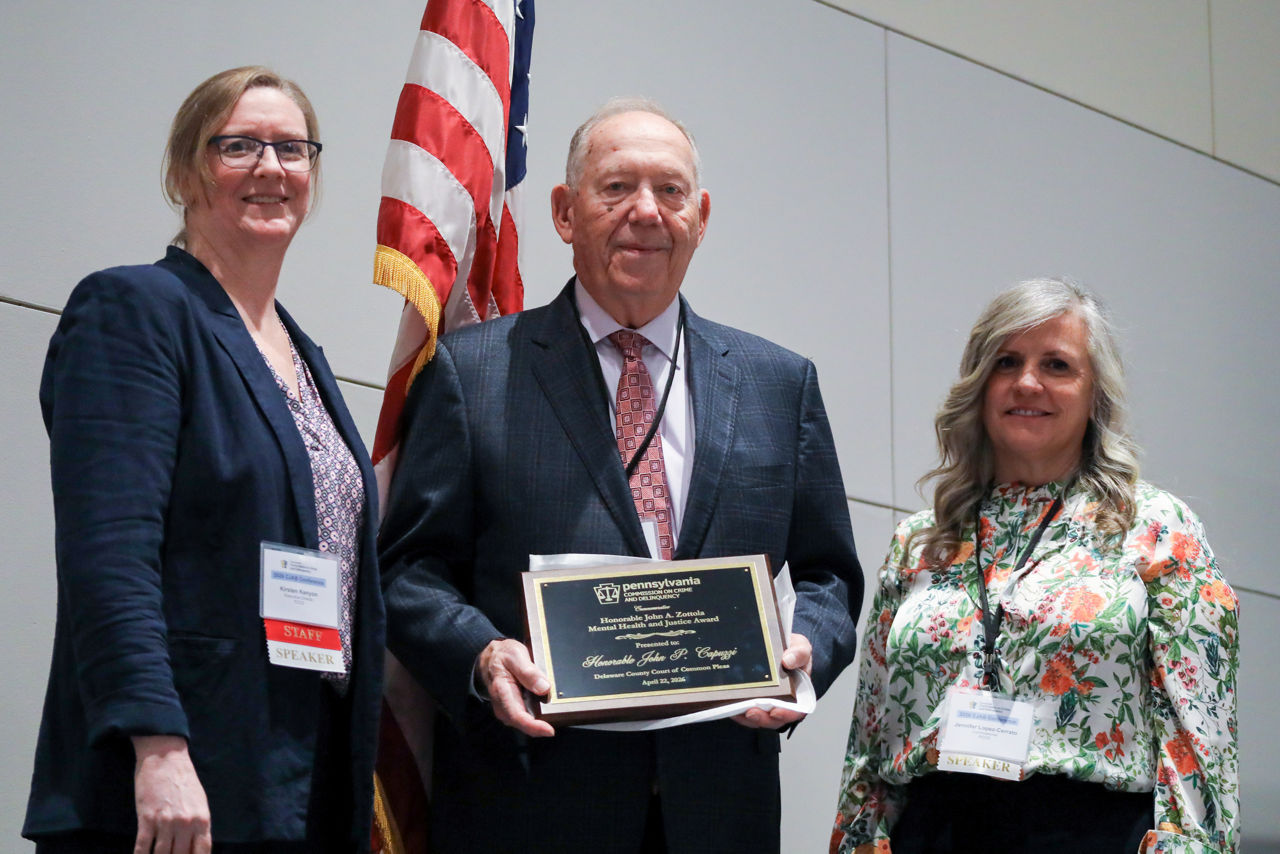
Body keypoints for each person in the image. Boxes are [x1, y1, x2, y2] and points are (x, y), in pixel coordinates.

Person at [378, 97, 864, 854]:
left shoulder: (779, 382)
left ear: (701, 216)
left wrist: (807, 651)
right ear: (564, 213)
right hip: (532, 802)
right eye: (616, 188)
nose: (646, 211)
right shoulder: (472, 373)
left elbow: (831, 575)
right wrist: (481, 653)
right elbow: (409, 569)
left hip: (719, 808)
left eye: (670, 191)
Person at [23, 67, 384, 853]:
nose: (271, 167)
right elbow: (109, 553)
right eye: (239, 145)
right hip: (175, 785)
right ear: (185, 172)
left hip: (296, 779)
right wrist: (156, 744)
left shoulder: (304, 355)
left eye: (292, 148)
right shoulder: (135, 310)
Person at [830, 278, 1239, 853]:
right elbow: (871, 736)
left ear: (1095, 394)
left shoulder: (1156, 528)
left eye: (1056, 365)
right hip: (932, 830)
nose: (1027, 382)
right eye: (1007, 362)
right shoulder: (920, 542)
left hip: (1089, 833)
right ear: (979, 384)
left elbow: (1199, 740)